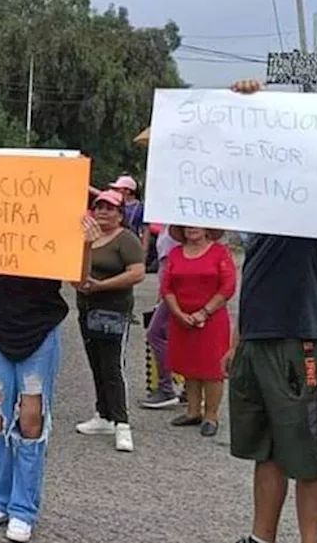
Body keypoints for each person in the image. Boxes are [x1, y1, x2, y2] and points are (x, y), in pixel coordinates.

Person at [224, 79, 317, 543]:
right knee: (267, 451)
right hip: (258, 341)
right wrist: (238, 340)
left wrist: (264, 102)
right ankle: (260, 538)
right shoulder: (259, 211)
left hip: (301, 340)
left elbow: (283, 142)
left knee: (309, 456)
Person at [0, 215, 99, 543]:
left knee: (31, 419)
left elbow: (80, 281)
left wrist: (85, 243)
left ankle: (23, 508)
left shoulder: (59, 217)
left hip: (39, 328)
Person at [74, 190, 146, 452]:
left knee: (113, 366)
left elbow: (137, 273)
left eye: (110, 208)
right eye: (99, 206)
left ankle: (122, 422)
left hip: (115, 309)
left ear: (120, 214)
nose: (103, 211)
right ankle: (103, 415)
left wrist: (102, 286)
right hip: (87, 307)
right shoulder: (84, 237)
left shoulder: (125, 239)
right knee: (95, 362)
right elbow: (73, 268)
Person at [162, 225, 236, 436]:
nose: (191, 228)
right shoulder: (175, 253)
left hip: (212, 319)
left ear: (207, 229)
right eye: (187, 225)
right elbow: (166, 286)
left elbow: (228, 286)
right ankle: (193, 411)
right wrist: (177, 313)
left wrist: (204, 312)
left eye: (196, 224)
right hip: (181, 318)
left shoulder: (220, 252)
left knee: (212, 368)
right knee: (189, 364)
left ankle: (211, 415)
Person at [141, 225, 182, 409]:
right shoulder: (166, 226)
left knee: (155, 334)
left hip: (175, 289)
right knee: (177, 337)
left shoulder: (178, 229)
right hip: (167, 288)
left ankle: (166, 389)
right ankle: (187, 389)